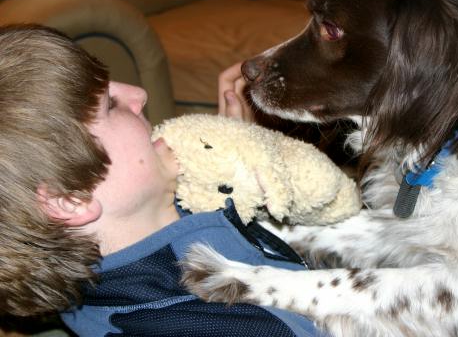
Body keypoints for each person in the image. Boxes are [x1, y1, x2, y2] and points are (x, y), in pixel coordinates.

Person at [0, 24, 324, 336]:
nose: (138, 94)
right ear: (71, 199)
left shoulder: (101, 280)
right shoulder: (206, 322)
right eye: (110, 106)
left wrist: (235, 167)